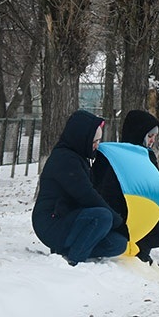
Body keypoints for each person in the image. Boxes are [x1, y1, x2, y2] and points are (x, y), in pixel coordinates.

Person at [31, 110, 128, 266]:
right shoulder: (65, 159)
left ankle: (66, 251)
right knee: (102, 217)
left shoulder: (80, 157)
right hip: (52, 222)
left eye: (99, 140)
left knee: (118, 243)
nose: (97, 145)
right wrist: (116, 219)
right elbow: (86, 195)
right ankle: (75, 260)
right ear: (82, 138)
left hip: (73, 219)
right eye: (94, 141)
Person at [91, 110, 159, 264]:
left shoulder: (147, 155)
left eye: (154, 136)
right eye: (150, 136)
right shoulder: (113, 156)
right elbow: (106, 192)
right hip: (122, 215)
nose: (153, 141)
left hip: (141, 211)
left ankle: (142, 250)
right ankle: (135, 250)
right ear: (139, 133)